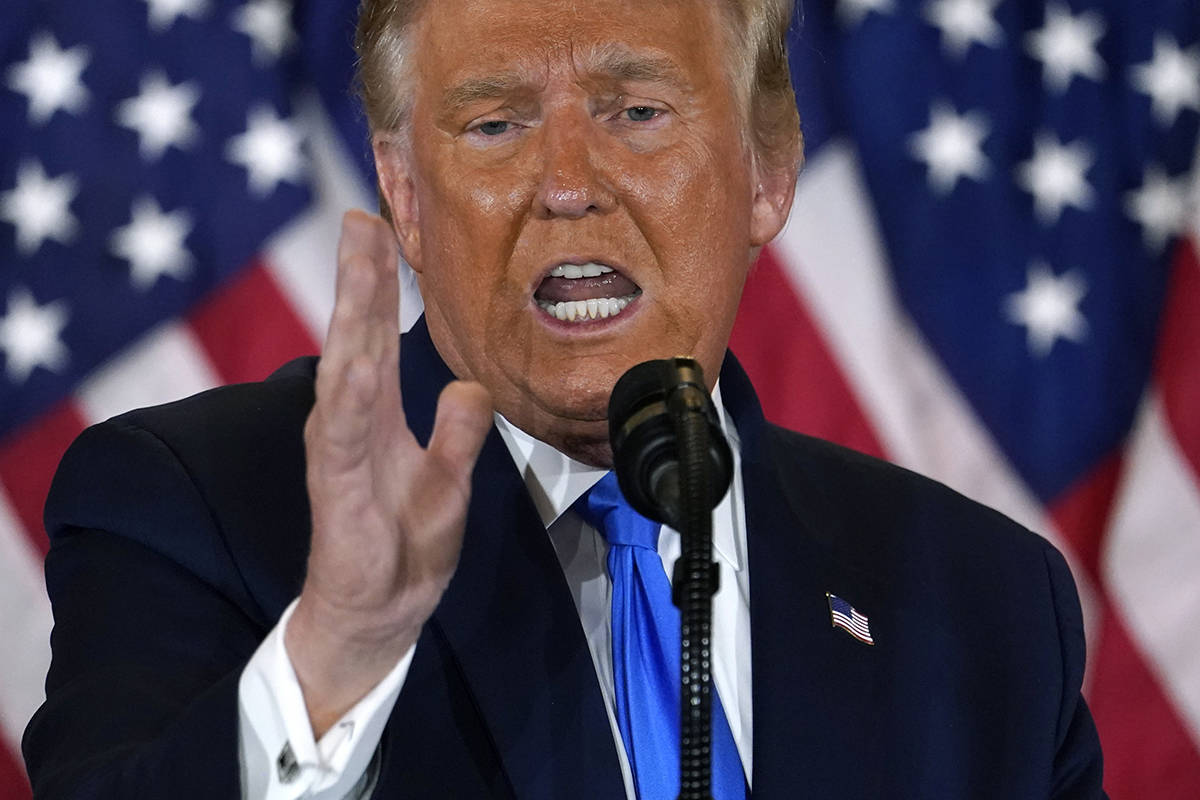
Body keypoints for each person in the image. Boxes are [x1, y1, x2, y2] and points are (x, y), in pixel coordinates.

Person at [23, 0, 1106, 797]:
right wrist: (338, 654)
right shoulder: (192, 506)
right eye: (493, 124)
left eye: (636, 110)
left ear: (769, 170)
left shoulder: (987, 606)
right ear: (403, 191)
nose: (569, 181)